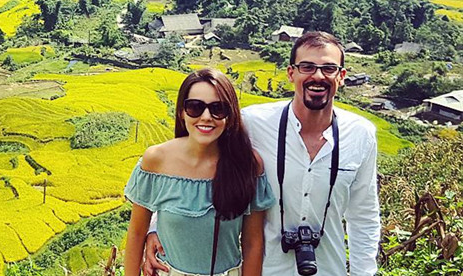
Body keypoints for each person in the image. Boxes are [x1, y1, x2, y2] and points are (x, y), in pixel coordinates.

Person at [144, 32, 380, 276]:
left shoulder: (361, 135)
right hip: (263, 268)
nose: (318, 76)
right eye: (307, 67)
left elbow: (364, 216)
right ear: (291, 73)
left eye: (329, 68)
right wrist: (156, 227)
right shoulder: (253, 124)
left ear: (341, 76)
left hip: (330, 269)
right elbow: (193, 164)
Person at [124, 67, 275, 276]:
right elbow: (136, 234)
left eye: (218, 109)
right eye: (195, 107)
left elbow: (253, 243)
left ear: (230, 116)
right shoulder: (156, 160)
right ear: (181, 112)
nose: (206, 117)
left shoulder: (247, 164)